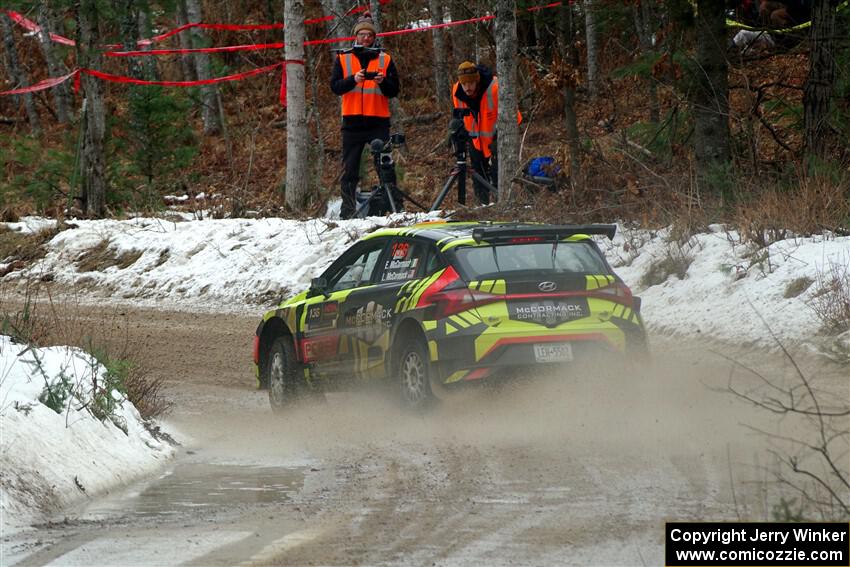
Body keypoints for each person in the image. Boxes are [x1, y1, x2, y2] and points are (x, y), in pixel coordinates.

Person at [330, 13, 400, 219]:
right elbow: (335, 86)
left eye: (369, 34)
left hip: (378, 121)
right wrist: (354, 79)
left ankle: (394, 209)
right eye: (362, 34)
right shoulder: (343, 58)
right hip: (352, 123)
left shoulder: (385, 59)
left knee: (385, 167)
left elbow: (394, 90)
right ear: (355, 36)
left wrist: (382, 81)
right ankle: (347, 212)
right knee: (349, 170)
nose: (366, 38)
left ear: (374, 36)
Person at [451, 61, 521, 205]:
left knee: (498, 174)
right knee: (478, 174)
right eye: (464, 84)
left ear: (477, 80)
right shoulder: (456, 91)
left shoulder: (495, 88)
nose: (467, 87)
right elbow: (460, 116)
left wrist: (501, 137)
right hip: (475, 139)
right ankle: (482, 206)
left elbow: (515, 118)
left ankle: (502, 205)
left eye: (470, 83)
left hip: (498, 139)